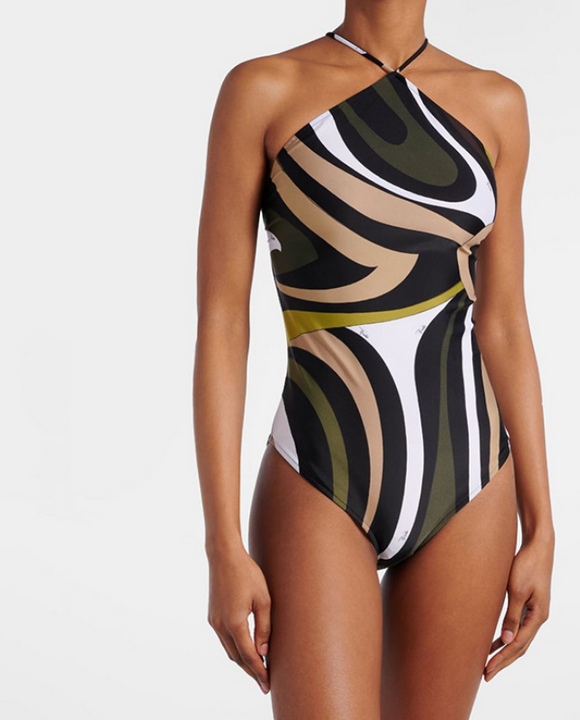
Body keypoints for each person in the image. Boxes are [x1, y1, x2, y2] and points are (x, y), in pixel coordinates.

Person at [193, 2, 555, 717]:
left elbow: (506, 323)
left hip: (471, 476)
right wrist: (221, 545)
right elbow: (222, 324)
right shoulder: (263, 90)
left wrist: (542, 527)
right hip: (320, 469)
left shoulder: (496, 105)